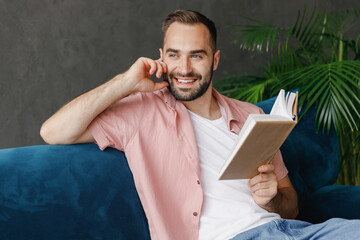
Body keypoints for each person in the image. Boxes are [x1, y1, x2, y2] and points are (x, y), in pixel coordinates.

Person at [40, 9, 360, 240]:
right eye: (175, 55)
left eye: (197, 56)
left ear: (215, 60)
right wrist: (124, 82)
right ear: (161, 57)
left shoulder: (251, 115)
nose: (184, 68)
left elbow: (290, 206)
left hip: (296, 231)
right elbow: (53, 132)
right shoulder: (140, 113)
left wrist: (273, 199)